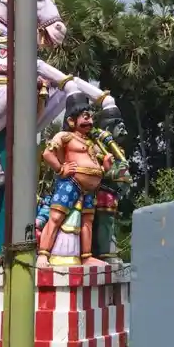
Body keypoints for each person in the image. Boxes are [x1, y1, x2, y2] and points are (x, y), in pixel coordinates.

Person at [36, 93, 113, 268]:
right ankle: (43, 254)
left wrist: (104, 168)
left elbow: (94, 165)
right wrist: (61, 169)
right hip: (70, 183)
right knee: (55, 217)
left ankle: (86, 256)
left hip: (89, 189)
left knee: (88, 221)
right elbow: (48, 153)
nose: (90, 121)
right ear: (72, 121)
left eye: (91, 117)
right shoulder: (66, 136)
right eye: (86, 117)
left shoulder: (93, 143)